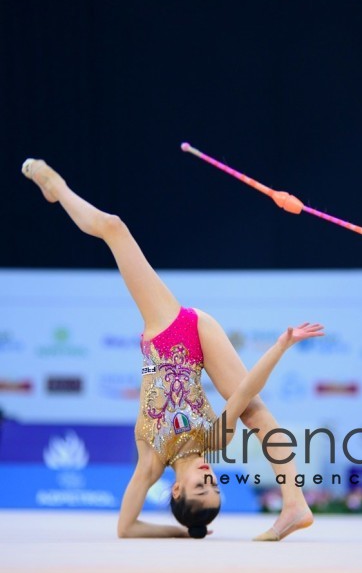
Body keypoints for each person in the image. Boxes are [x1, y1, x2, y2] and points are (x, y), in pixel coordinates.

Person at [22, 158, 324, 540]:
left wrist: (181, 532)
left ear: (175, 491)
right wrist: (281, 346)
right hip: (196, 334)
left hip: (166, 332)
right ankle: (295, 502)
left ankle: (58, 189)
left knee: (114, 228)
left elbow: (126, 528)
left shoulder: (151, 460)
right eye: (216, 487)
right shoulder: (215, 442)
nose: (210, 479)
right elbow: (247, 388)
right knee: (257, 409)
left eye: (201, 488)